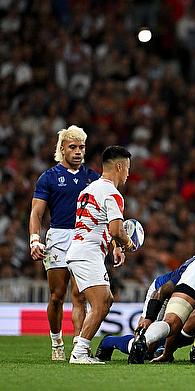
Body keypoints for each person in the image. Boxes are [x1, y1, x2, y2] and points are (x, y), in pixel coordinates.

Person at [29, 125, 100, 361]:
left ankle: (79, 347)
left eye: (81, 147)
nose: (78, 151)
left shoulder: (92, 177)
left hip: (83, 238)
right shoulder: (48, 177)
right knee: (57, 295)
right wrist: (34, 239)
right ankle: (56, 341)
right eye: (73, 147)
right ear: (62, 149)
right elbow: (36, 213)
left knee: (80, 296)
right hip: (58, 237)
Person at [66, 145, 136, 364]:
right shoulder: (113, 194)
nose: (128, 173)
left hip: (77, 249)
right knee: (104, 301)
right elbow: (116, 229)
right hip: (88, 253)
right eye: (127, 168)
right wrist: (127, 242)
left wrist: (114, 247)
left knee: (84, 302)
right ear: (119, 166)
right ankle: (79, 352)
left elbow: (95, 222)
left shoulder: (89, 189)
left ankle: (80, 346)